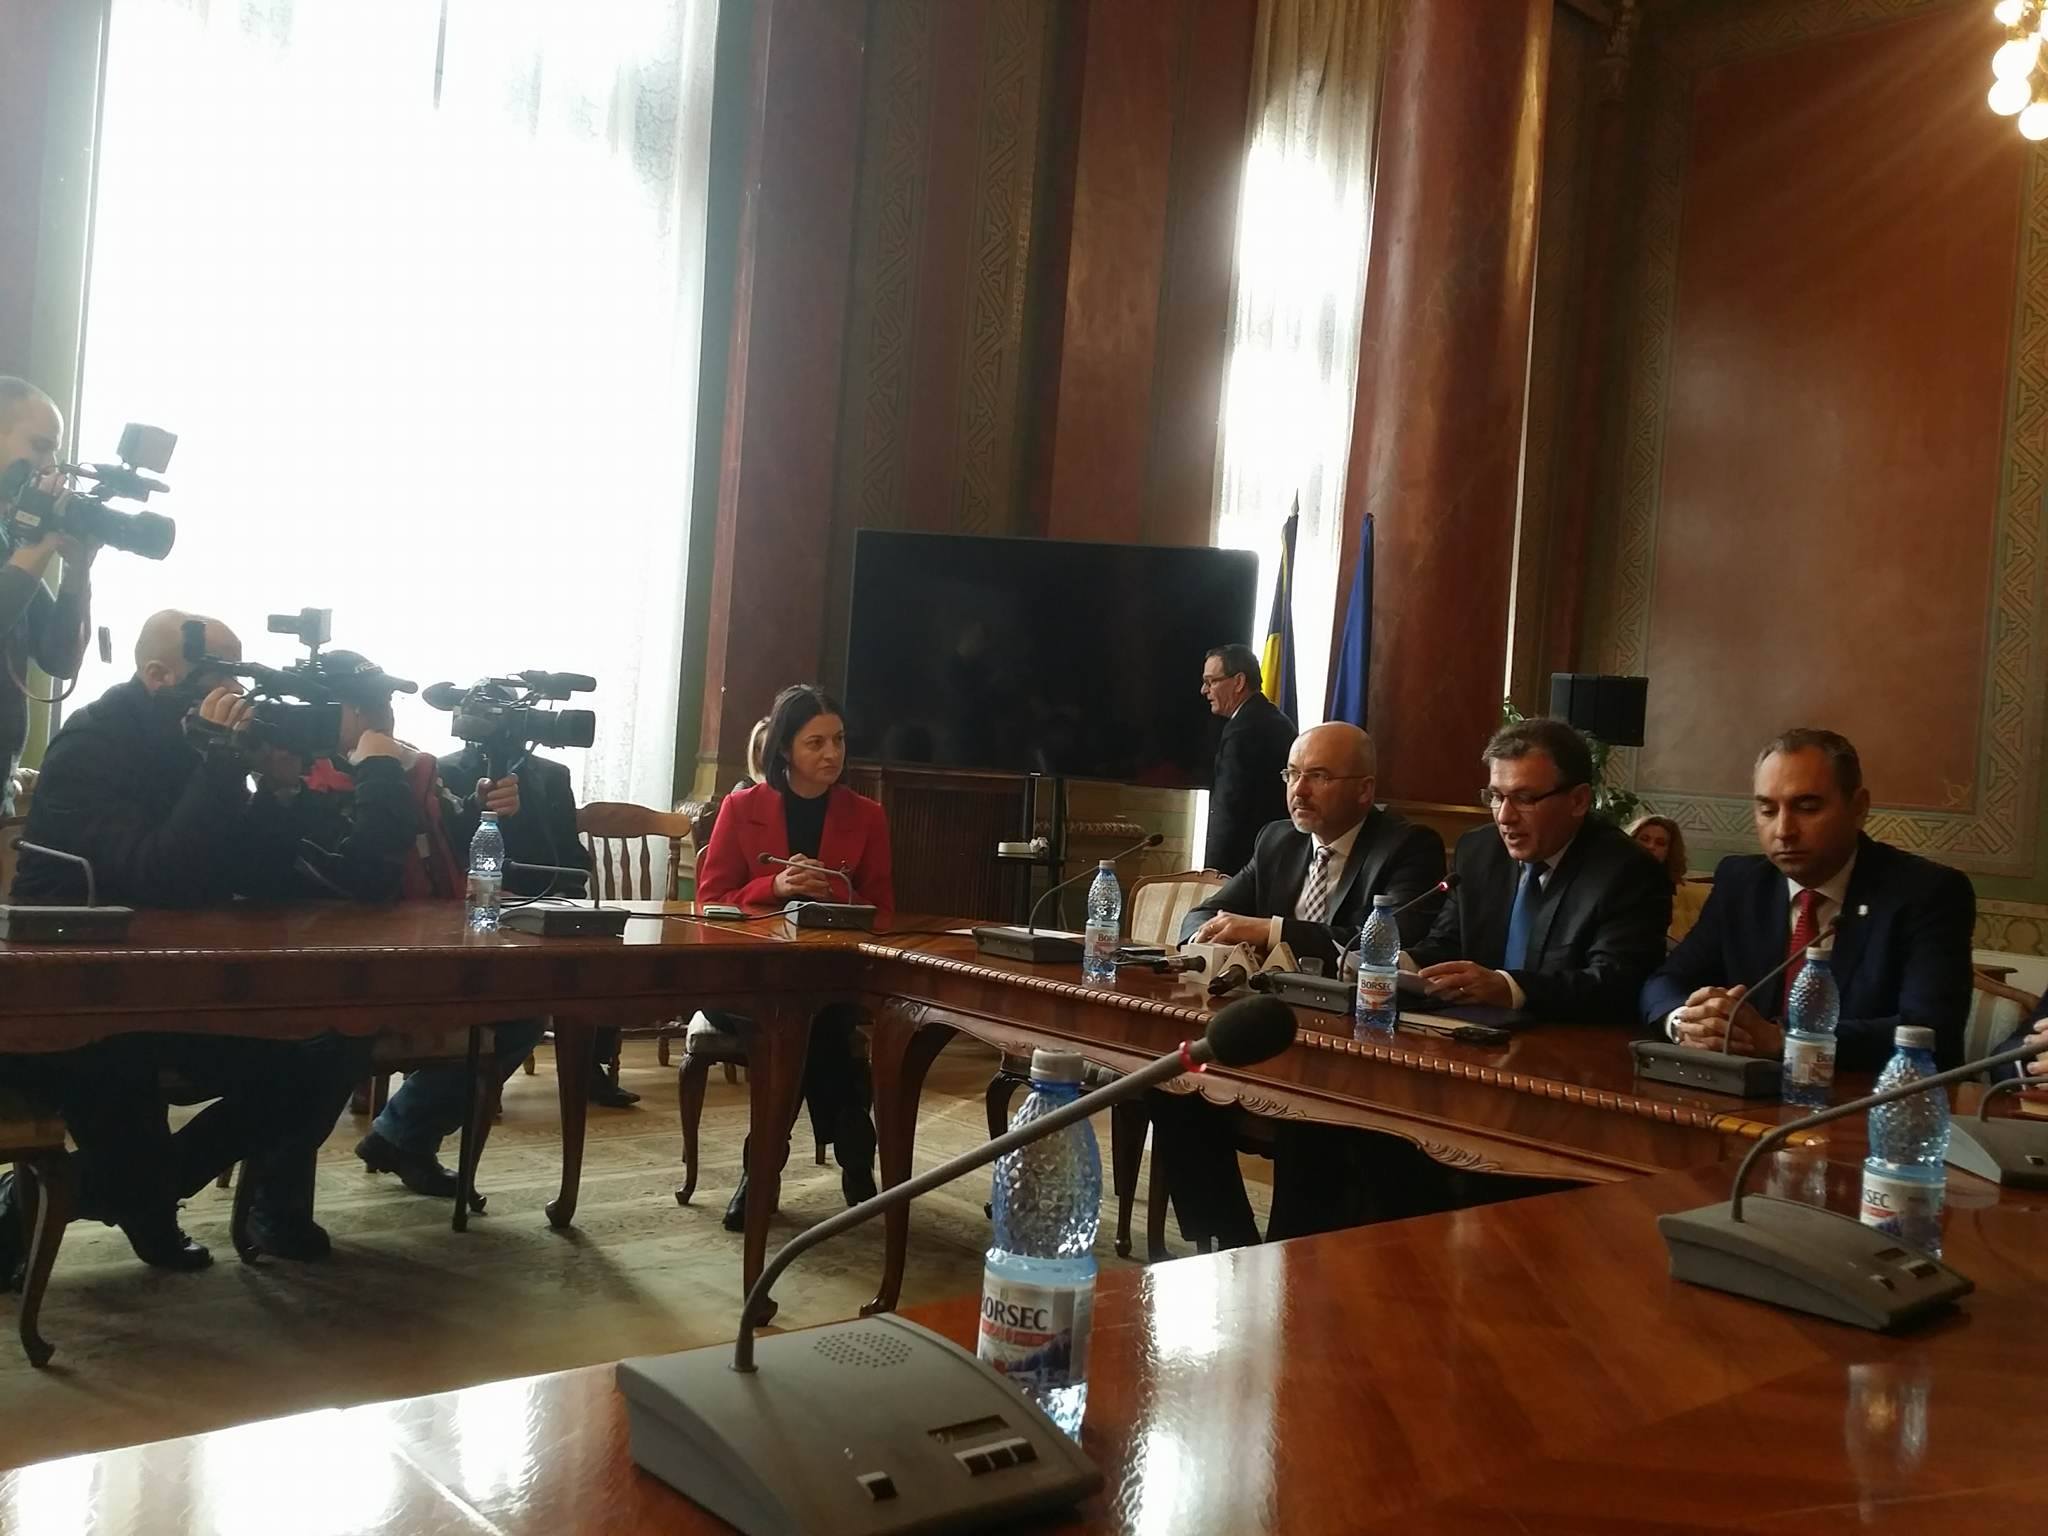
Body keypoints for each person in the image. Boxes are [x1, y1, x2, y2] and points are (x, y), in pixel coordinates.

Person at [1, 612, 370, 1268]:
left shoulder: (201, 742)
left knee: (327, 1048)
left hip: (177, 983)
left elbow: (255, 878)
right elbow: (161, 877)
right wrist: (222, 764)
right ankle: (129, 1198)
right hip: (72, 998)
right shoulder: (93, 743)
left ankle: (116, 1193)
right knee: (122, 1081)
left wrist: (281, 790)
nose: (238, 692)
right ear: (158, 675)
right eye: (222, 675)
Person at [1157, 721, 1446, 1247]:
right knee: (1174, 1086)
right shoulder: (1277, 839)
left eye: (1318, 776)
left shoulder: (1407, 847)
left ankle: (1292, 1260)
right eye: (1292, 774)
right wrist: (1207, 936)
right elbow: (1205, 912)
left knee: (1305, 1118)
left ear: (1364, 790)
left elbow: (1381, 945)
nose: (1299, 790)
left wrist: (1270, 930)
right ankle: (1228, 1244)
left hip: (1351, 1040)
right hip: (1267, 1026)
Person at [1643, 728, 1976, 1071]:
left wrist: (1783, 1041)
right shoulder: (1742, 883)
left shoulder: (1928, 892)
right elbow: (1663, 983)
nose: (1784, 831)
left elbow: (1932, 1031)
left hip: (1867, 1094)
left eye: (1807, 808)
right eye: (1768, 810)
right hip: (1742, 1092)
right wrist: (1685, 1022)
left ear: (1858, 808)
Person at [695, 684, 893, 1228]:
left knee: (809, 1020)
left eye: (839, 740)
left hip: (827, 982)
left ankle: (760, 1171)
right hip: (744, 981)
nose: (832, 754)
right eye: (816, 743)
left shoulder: (867, 816)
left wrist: (836, 892)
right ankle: (853, 1139)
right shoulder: (741, 807)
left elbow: (882, 911)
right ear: (785, 748)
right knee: (807, 1026)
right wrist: (775, 887)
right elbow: (710, 901)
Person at [1407, 718, 1671, 1025]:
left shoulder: (1628, 871)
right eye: (1496, 797)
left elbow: (1614, 984)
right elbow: (1447, 945)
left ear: (1578, 800)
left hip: (1570, 1041)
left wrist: (1510, 989)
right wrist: (1394, 964)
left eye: (1524, 799)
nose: (1504, 817)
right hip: (1474, 1033)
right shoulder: (1477, 851)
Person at [0, 377, 95, 814]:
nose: (50, 467)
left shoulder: (8, 542)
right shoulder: (19, 549)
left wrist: (77, 572)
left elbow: (58, 660)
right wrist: (36, 547)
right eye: (40, 447)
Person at [1199, 643, 1294, 876]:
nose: (1204, 690)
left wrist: (1212, 872)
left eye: (1211, 681)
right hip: (1276, 860)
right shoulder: (1274, 719)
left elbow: (1229, 808)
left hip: (1243, 868)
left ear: (1239, 682)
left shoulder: (1243, 731)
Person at [1630, 813, 1706, 945]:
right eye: (1644, 839)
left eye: (1660, 843)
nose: (1650, 846)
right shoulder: (1612, 877)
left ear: (1669, 852)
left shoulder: (1663, 887)